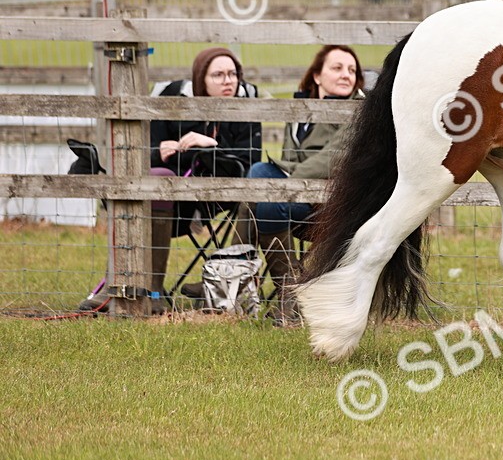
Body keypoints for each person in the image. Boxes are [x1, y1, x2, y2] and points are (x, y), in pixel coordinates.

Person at [78, 48, 263, 312]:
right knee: (154, 179)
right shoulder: (172, 99)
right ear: (201, 79)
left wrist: (211, 145)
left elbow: (248, 164)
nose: (228, 81)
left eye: (233, 74)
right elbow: (142, 152)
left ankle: (165, 291)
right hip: (167, 197)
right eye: (218, 75)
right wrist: (160, 150)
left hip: (221, 198)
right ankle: (142, 291)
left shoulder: (249, 103)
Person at [246, 45, 366, 323]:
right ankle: (240, 278)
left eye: (352, 70)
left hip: (332, 206)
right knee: (258, 177)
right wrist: (284, 184)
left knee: (263, 202)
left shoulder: (358, 110)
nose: (347, 75)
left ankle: (274, 294)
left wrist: (287, 183)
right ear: (316, 76)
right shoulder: (299, 107)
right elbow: (288, 156)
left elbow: (335, 158)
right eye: (337, 68)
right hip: (296, 200)